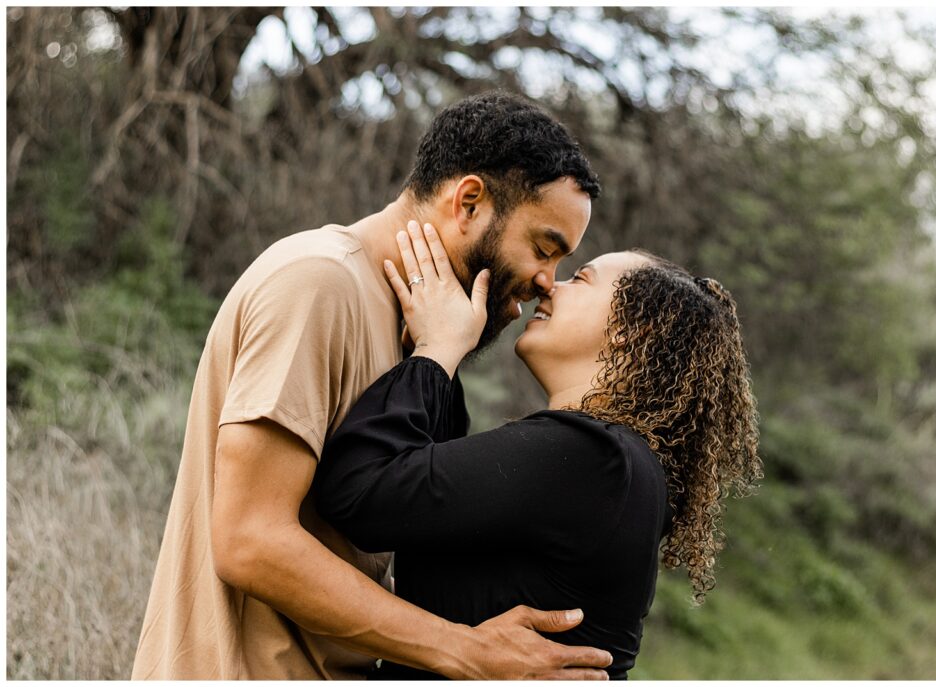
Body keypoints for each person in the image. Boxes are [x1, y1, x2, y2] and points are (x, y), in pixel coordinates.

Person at [131, 92, 616, 679]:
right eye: (544, 248)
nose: (547, 282)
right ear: (468, 203)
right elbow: (250, 539)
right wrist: (465, 650)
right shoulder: (318, 284)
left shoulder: (425, 329)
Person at [313, 222, 764, 679]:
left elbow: (358, 493)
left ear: (637, 329)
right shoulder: (614, 463)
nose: (552, 285)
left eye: (581, 279)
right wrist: (443, 350)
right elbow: (430, 480)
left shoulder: (592, 457)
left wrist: (435, 351)